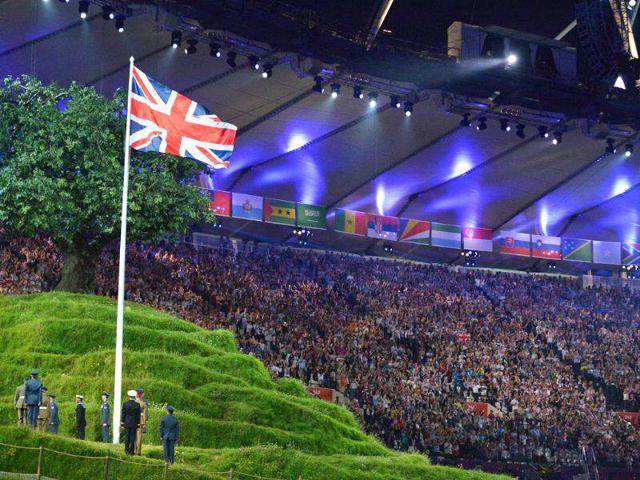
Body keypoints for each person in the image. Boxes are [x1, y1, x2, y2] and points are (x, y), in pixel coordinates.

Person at [121, 390, 141, 455]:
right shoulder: (137, 405)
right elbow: (138, 415)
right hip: (134, 423)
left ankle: (126, 450)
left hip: (127, 422)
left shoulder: (125, 404)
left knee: (127, 437)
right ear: (134, 396)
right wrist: (138, 423)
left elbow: (123, 414)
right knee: (133, 437)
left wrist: (122, 422)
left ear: (129, 396)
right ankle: (132, 451)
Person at [135, 388, 148, 455]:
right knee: (139, 437)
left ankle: (132, 450)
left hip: (132, 421)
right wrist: (145, 423)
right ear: (141, 394)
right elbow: (145, 415)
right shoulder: (143, 403)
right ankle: (138, 452)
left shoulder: (133, 402)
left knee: (132, 436)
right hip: (140, 421)